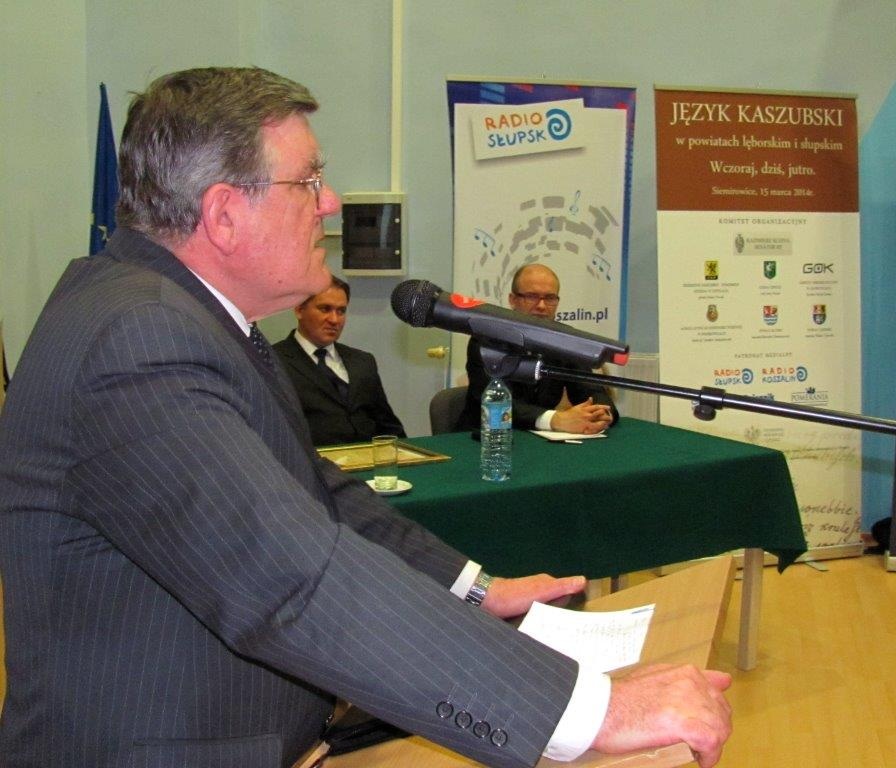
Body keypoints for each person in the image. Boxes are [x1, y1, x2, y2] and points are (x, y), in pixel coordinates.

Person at [0, 67, 731, 768]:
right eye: (308, 180)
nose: (330, 203)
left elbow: (315, 490)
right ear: (223, 214)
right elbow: (289, 576)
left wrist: (476, 589)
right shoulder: (138, 340)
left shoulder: (186, 320)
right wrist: (594, 712)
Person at [456, 263, 619, 434]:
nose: (541, 305)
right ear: (513, 300)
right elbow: (497, 404)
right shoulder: (487, 339)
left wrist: (600, 413)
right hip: (485, 437)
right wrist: (555, 419)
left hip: (539, 439)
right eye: (532, 296)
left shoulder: (563, 339)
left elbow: (590, 390)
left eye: (550, 298)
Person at [274, 275, 406, 445]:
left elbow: (388, 427)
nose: (334, 320)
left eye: (341, 311)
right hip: (313, 459)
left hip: (369, 456)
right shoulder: (274, 362)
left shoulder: (363, 362)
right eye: (325, 309)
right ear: (299, 310)